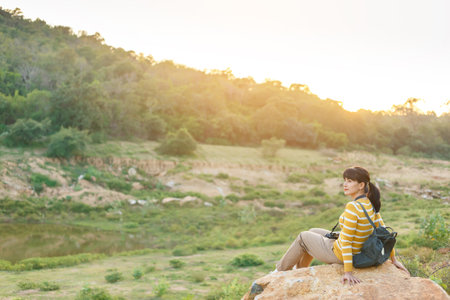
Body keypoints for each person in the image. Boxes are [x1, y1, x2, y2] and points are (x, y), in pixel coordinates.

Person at [275, 166, 409, 285]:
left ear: (361, 185)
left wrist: (348, 272)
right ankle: (301, 272)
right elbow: (384, 233)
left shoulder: (353, 207)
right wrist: (393, 259)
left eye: (350, 181)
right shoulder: (370, 203)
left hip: (340, 254)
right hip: (358, 249)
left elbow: (346, 241)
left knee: (303, 237)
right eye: (345, 180)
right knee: (313, 230)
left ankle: (279, 272)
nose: (345, 184)